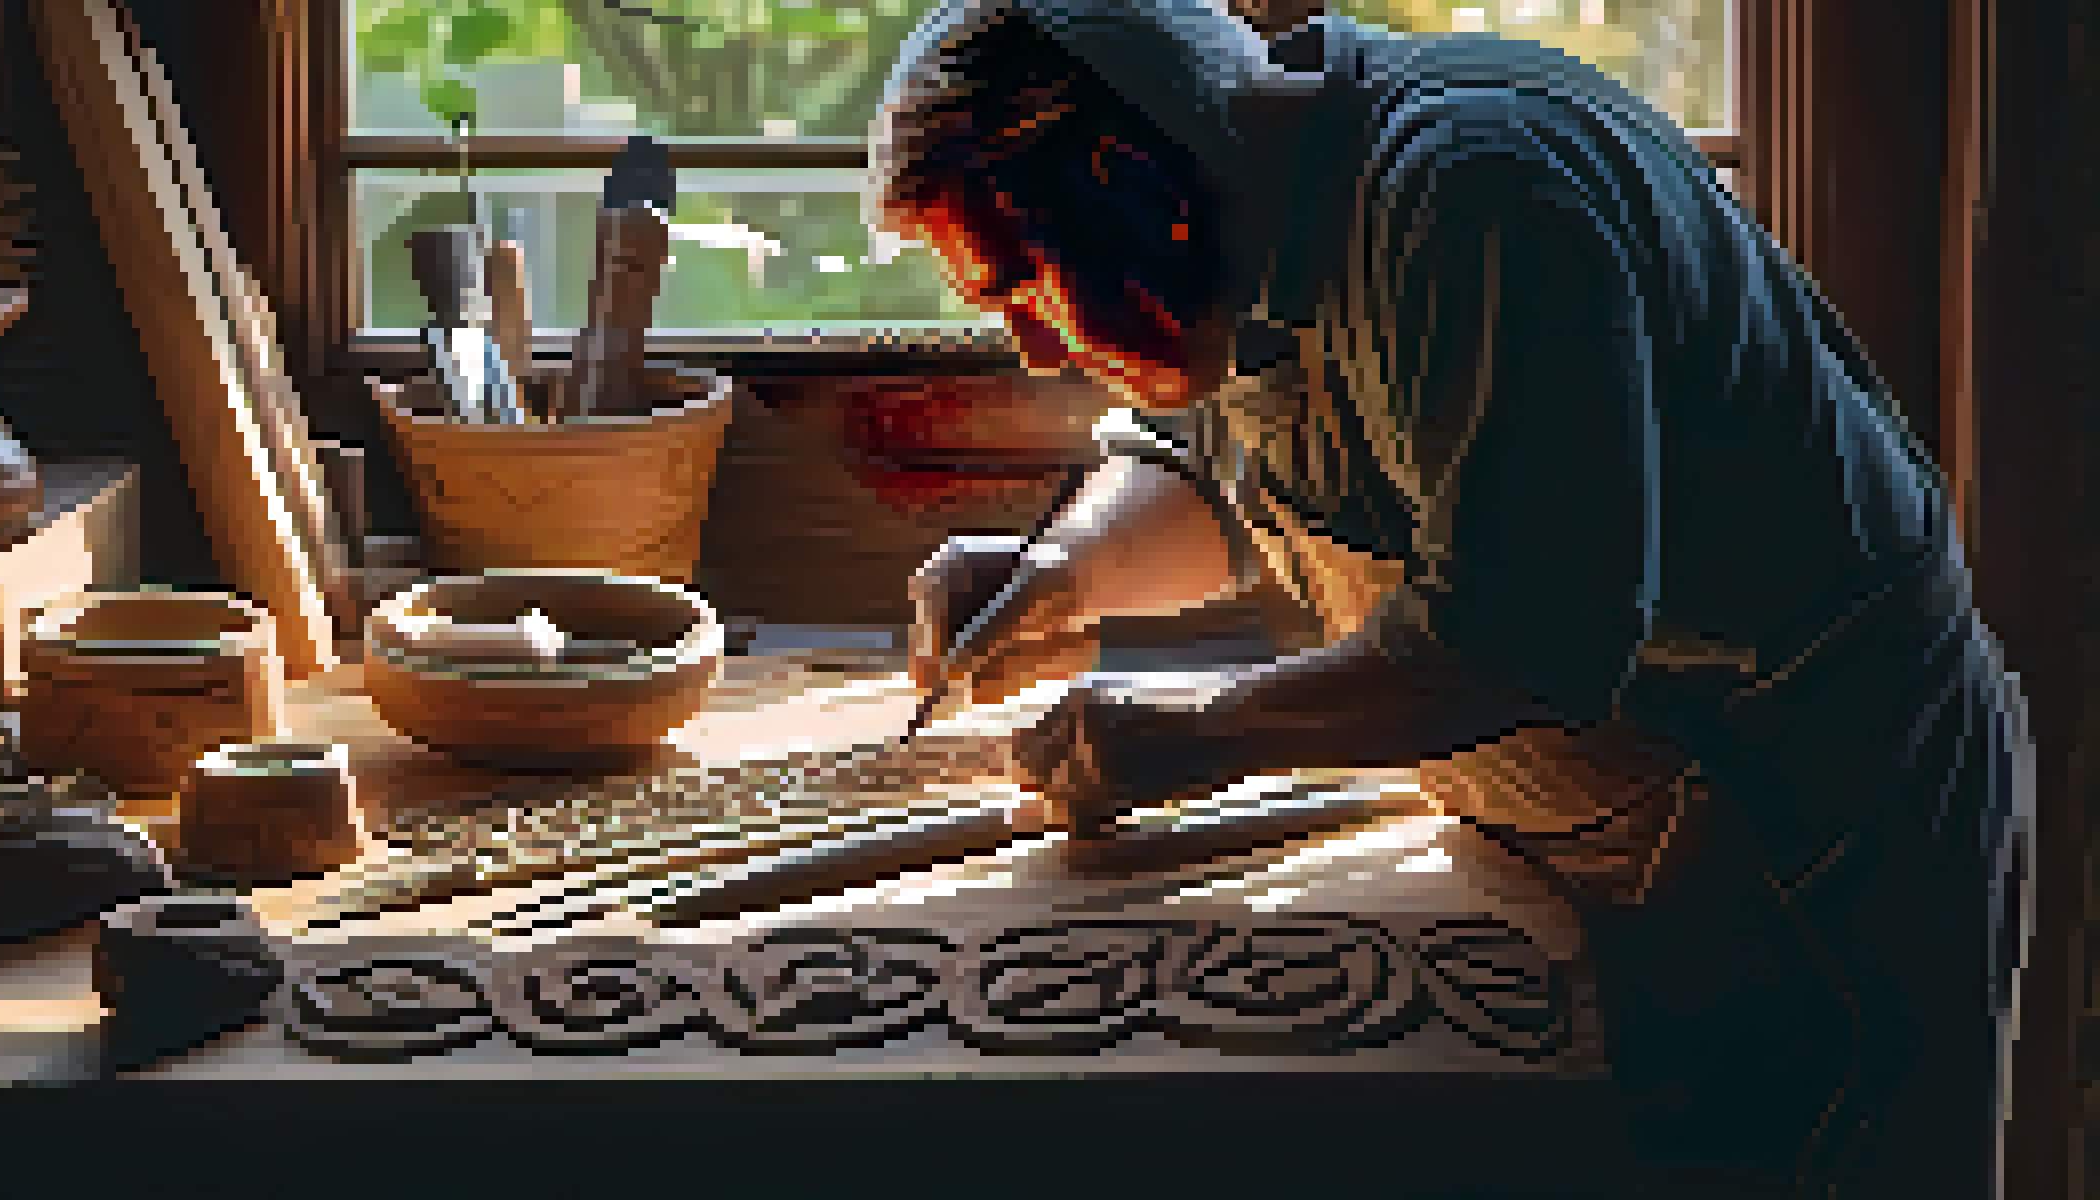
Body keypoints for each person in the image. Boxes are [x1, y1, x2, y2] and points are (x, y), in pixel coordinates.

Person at [872, 3, 2035, 1197]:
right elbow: (1217, 465)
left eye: (1023, 282)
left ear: (1127, 175)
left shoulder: (1476, 193)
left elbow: (1522, 640)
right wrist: (1062, 572)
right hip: (1595, 820)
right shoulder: (1243, 213)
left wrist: (1195, 732)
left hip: (1804, 821)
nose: (1033, 349)